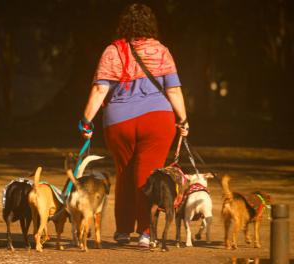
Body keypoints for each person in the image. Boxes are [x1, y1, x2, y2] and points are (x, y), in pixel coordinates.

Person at [78, 3, 189, 248]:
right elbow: (174, 89)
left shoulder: (112, 51)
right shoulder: (161, 51)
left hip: (119, 122)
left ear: (124, 24)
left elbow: (99, 90)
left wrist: (86, 121)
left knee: (124, 173)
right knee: (149, 176)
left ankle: (123, 230)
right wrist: (183, 119)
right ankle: (147, 233)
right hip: (158, 120)